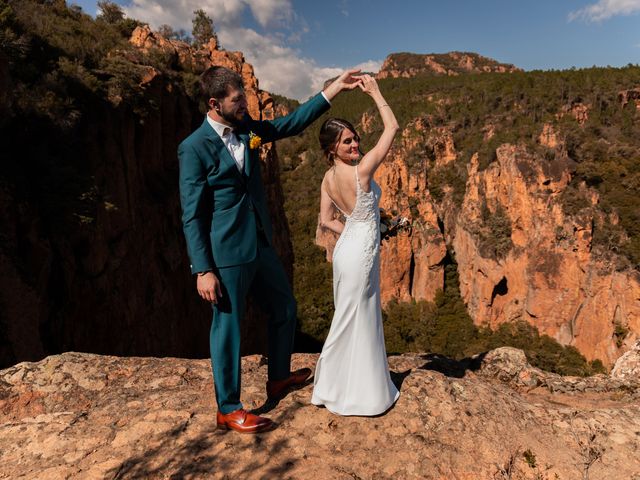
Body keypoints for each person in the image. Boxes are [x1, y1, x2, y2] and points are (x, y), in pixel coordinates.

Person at [178, 66, 360, 433]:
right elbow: (191, 213)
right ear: (215, 104)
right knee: (228, 328)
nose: (245, 103)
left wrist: (334, 90)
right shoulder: (194, 148)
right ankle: (228, 408)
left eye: (244, 96)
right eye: (237, 99)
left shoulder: (247, 129)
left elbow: (290, 124)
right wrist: (203, 269)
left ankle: (278, 377)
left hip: (260, 242)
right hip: (226, 253)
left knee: (284, 307)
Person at [311, 74, 400, 416]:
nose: (355, 145)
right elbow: (391, 129)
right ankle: (364, 392)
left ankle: (331, 386)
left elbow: (327, 220)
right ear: (332, 147)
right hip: (360, 251)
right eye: (347, 141)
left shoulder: (329, 178)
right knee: (358, 315)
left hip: (347, 248)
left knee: (348, 314)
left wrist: (356, 225)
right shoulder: (361, 171)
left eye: (356, 139)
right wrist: (376, 92)